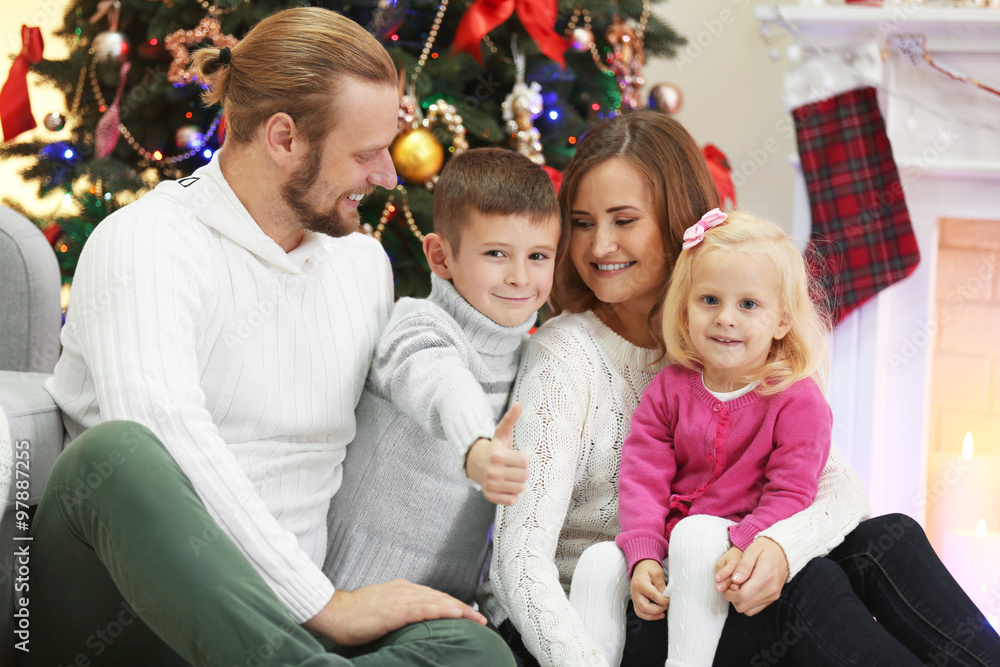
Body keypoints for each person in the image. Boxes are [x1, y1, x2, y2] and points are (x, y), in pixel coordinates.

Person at [26, 8, 514, 666]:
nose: (389, 177)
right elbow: (168, 434)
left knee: (471, 648)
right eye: (366, 153)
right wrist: (324, 604)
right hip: (131, 609)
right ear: (283, 137)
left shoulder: (361, 266)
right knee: (115, 455)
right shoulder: (148, 242)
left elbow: (400, 413)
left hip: (288, 627)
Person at [482, 110, 1000, 667]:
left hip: (707, 579)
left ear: (678, 221)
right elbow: (518, 566)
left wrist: (778, 545)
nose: (600, 245)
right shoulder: (565, 358)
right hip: (605, 617)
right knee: (810, 586)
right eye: (581, 223)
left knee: (886, 538)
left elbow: (841, 490)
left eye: (624, 220)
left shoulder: (723, 340)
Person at [325, 148, 559, 603]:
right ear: (441, 257)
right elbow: (442, 384)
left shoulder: (531, 356)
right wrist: (477, 447)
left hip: (453, 597)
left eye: (538, 256)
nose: (519, 277)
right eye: (496, 253)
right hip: (354, 584)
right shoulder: (418, 325)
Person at [617, 209, 833, 666]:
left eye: (748, 305)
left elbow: (793, 489)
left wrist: (747, 541)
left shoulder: (796, 401)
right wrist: (643, 553)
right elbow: (643, 475)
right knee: (598, 566)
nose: (725, 319)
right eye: (710, 300)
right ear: (686, 307)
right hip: (672, 551)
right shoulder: (671, 388)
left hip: (735, 561)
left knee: (696, 533)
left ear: (782, 321)